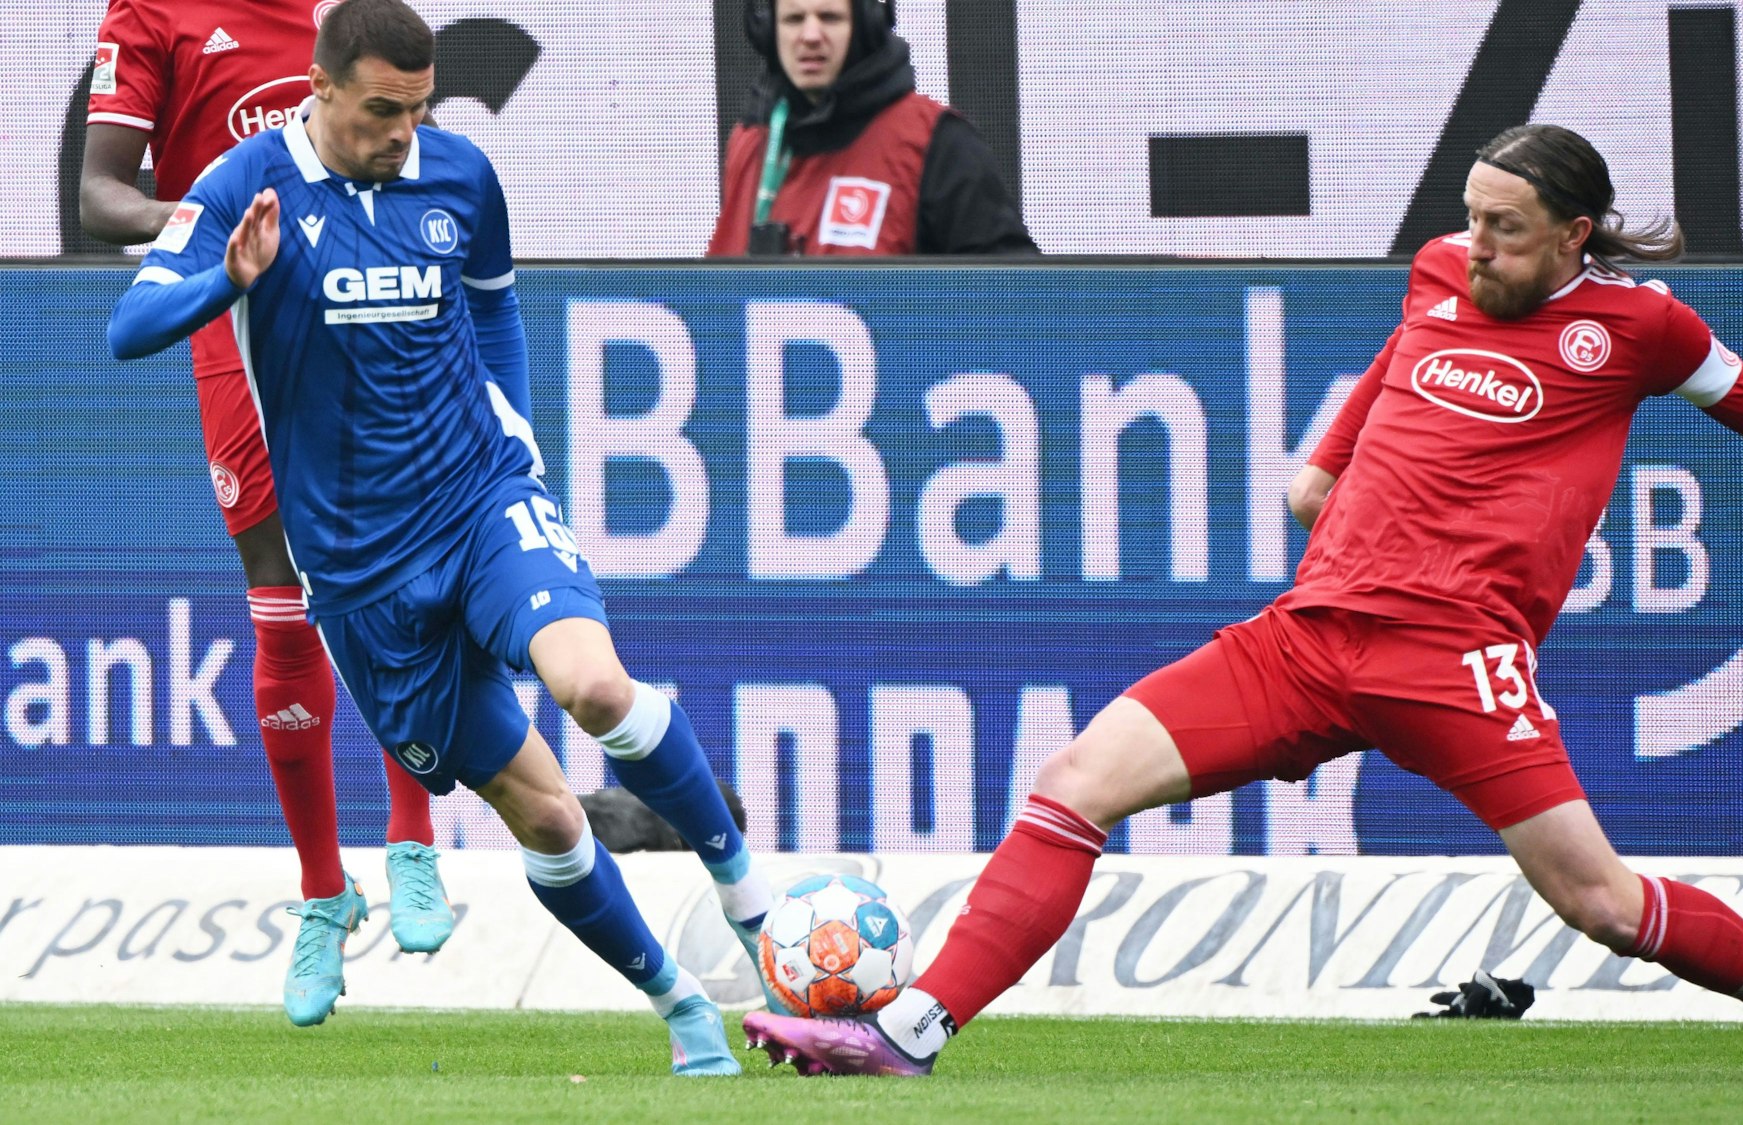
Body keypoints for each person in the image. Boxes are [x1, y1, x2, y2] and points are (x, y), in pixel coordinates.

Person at [742, 123, 1743, 1081]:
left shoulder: (1636, 329)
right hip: (1307, 635)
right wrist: (1326, 462)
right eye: (1472, 218)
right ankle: (908, 1032)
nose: (1478, 244)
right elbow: (1401, 356)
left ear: (1573, 233)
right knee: (1075, 779)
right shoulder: (1441, 271)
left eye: (1508, 227)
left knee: (1603, 906)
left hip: (1454, 661)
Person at [106, 0, 775, 1068]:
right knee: (549, 819)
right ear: (318, 91)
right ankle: (680, 1006)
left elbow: (496, 306)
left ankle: (757, 912)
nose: (401, 132)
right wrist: (223, 283)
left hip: (479, 503)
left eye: (417, 110)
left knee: (595, 689)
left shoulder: (458, 173)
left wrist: (515, 429)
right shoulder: (242, 190)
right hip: (363, 574)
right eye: (380, 110)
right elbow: (125, 330)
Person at [78, 0, 462, 1027]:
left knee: (395, 582)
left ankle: (413, 838)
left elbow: (408, 149)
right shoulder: (150, 15)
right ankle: (322, 896)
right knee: (279, 599)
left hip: (355, 306)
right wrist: (212, 229)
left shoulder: (342, 19)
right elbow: (97, 193)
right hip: (231, 316)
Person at [706, 0, 1037, 256]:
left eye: (829, 17)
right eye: (794, 19)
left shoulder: (936, 142)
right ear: (768, 31)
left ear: (865, 24)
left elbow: (1015, 304)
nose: (810, 36)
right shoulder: (749, 144)